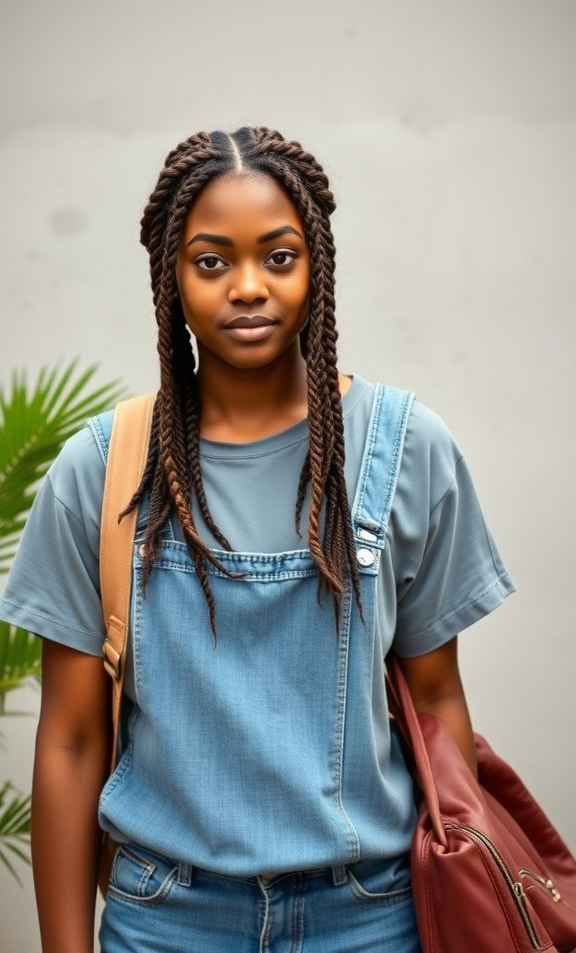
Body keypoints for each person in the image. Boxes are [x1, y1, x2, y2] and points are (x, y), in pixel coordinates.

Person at [0, 126, 516, 953]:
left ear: (318, 267)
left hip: (373, 916)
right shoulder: (99, 470)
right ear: (171, 276)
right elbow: (70, 737)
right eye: (212, 261)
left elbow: (435, 699)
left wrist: (455, 890)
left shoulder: (406, 447)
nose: (248, 286)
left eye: (279, 256)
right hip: (166, 918)